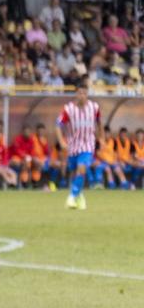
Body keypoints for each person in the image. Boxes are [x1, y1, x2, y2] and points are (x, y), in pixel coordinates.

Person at [57, 79, 102, 210]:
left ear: (87, 94)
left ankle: (71, 197)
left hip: (88, 145)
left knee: (82, 168)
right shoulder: (69, 109)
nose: (82, 95)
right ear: (76, 94)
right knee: (74, 171)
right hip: (73, 145)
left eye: (84, 93)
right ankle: (80, 196)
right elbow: (58, 125)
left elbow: (99, 122)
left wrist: (102, 137)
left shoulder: (94, 107)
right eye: (80, 93)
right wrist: (61, 141)